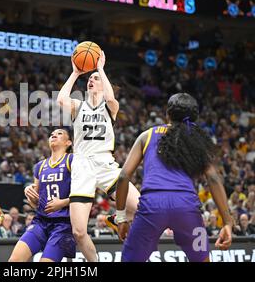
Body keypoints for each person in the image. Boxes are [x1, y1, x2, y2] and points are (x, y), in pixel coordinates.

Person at [115, 93, 233, 262]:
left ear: (167, 114)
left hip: (152, 205)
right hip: (186, 206)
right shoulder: (196, 139)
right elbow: (213, 179)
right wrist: (227, 222)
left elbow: (123, 176)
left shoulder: (147, 136)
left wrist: (121, 217)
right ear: (194, 117)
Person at [57, 51, 140, 262]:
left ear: (104, 84)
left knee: (144, 208)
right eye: (90, 78)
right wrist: (76, 73)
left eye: (95, 79)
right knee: (78, 231)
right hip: (82, 165)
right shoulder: (79, 106)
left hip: (105, 164)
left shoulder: (110, 106)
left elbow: (111, 97)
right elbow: (61, 99)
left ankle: (116, 219)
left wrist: (100, 68)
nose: (91, 81)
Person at [9, 129, 76, 262]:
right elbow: (36, 203)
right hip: (41, 221)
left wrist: (62, 203)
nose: (54, 135)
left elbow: (84, 195)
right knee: (14, 260)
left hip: (63, 224)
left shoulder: (72, 160)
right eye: (52, 134)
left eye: (59, 133)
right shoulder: (40, 166)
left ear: (68, 142)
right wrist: (29, 193)